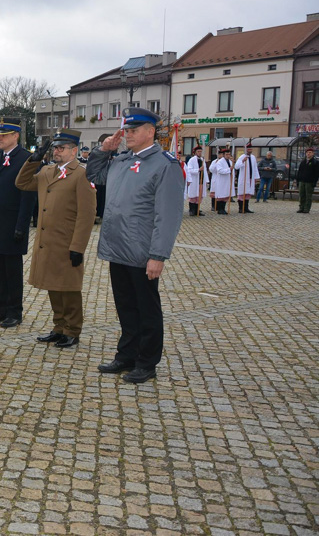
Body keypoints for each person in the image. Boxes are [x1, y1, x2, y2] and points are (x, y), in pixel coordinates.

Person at [85, 107, 184, 384]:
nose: (127, 134)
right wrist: (103, 150)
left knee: (146, 309)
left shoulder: (165, 165)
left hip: (142, 252)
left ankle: (146, 361)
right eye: (126, 130)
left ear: (150, 132)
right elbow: (93, 176)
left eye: (133, 130)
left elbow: (168, 215)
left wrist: (158, 255)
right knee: (125, 306)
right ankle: (126, 354)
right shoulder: (121, 160)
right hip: (118, 247)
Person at [16, 129, 96, 348]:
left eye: (61, 148)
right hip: (47, 241)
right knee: (53, 285)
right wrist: (33, 159)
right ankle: (59, 327)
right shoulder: (47, 171)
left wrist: (78, 247)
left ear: (74, 151)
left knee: (69, 287)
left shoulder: (81, 174)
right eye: (55, 148)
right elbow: (21, 183)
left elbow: (87, 214)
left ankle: (72, 329)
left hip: (67, 242)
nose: (56, 151)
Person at [0, 119, 36, 328]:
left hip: (12, 223)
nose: (0, 139)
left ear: (15, 136)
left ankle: (15, 311)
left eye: (4, 135)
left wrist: (22, 225)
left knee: (12, 271)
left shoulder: (25, 158)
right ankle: (2, 309)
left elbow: (28, 196)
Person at [235, 144, 259, 213]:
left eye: (251, 149)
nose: (250, 150)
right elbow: (236, 166)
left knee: (248, 193)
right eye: (248, 149)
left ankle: (246, 207)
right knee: (242, 192)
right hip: (244, 178)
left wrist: (256, 177)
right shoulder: (242, 157)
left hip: (251, 178)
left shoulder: (253, 157)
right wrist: (242, 161)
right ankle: (240, 208)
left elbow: (255, 168)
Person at [185, 146, 208, 216]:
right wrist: (198, 170)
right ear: (195, 152)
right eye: (198, 151)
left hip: (201, 180)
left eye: (201, 151)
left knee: (199, 195)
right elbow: (189, 170)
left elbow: (205, 171)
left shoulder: (202, 160)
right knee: (193, 195)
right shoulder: (192, 160)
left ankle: (197, 209)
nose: (200, 153)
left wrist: (206, 180)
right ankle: (192, 210)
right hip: (194, 180)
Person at [296, 147, 319, 213]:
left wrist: (314, 182)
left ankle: (307, 208)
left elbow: (316, 173)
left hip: (309, 182)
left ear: (313, 154)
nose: (308, 154)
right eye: (307, 152)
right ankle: (301, 207)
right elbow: (299, 171)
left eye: (310, 152)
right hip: (302, 181)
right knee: (301, 195)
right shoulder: (303, 162)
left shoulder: (315, 162)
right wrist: (298, 180)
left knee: (308, 196)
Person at [211, 148, 233, 214]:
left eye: (229, 154)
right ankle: (220, 209)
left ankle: (223, 208)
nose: (228, 156)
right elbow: (220, 170)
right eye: (226, 154)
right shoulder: (220, 162)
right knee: (221, 195)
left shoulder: (230, 161)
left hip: (227, 180)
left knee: (226, 195)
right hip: (221, 180)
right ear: (223, 155)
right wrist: (229, 170)